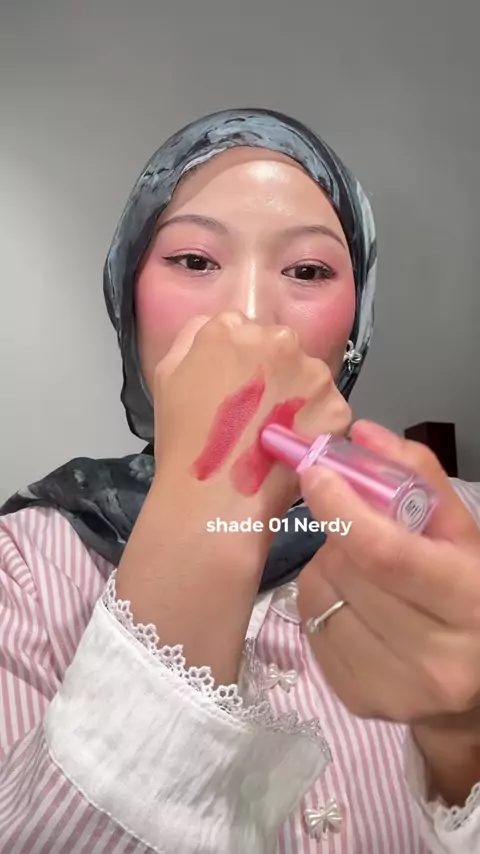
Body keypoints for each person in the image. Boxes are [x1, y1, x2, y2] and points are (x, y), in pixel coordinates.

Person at [0, 108, 479, 854]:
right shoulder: (25, 570)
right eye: (194, 261)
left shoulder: (456, 531)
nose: (251, 317)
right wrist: (210, 503)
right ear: (129, 305)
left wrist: (461, 742)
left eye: (309, 271)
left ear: (356, 329)